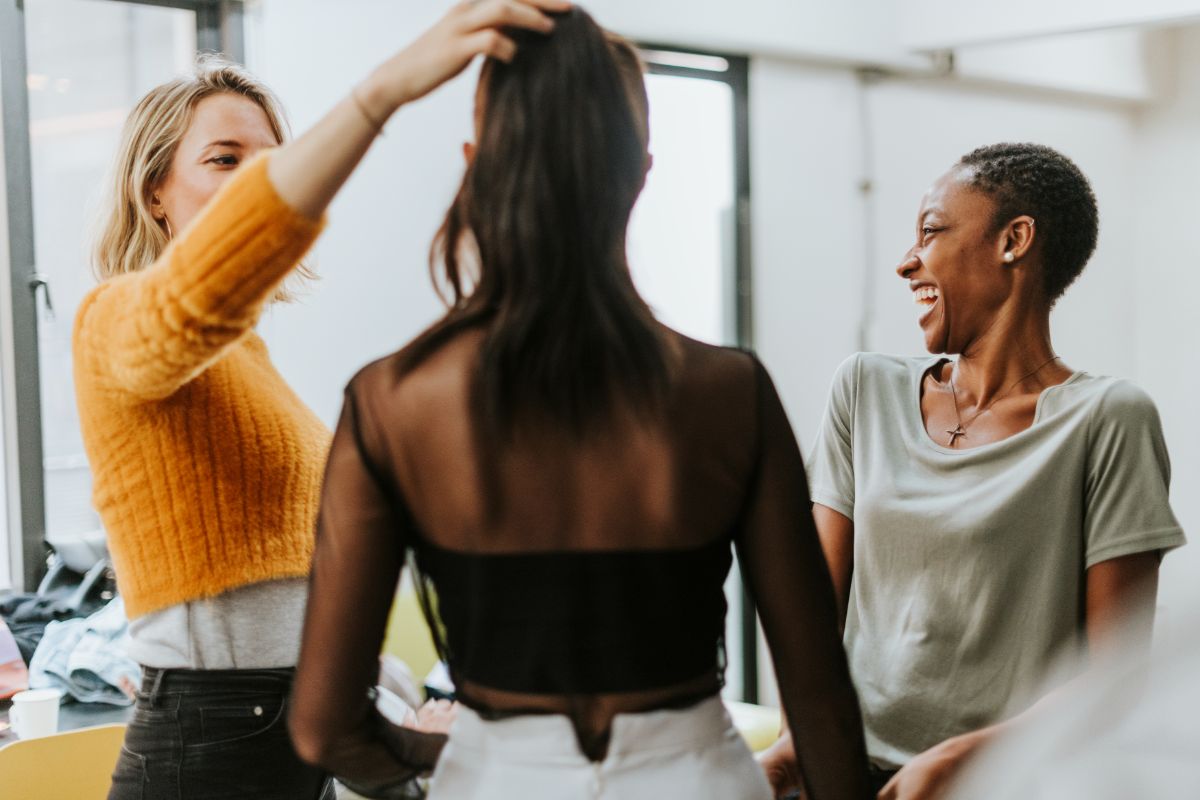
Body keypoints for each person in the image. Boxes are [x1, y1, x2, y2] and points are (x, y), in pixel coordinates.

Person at [288, 6, 873, 800]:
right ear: (638, 171)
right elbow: (821, 702)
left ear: (474, 163)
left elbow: (323, 727)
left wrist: (457, 759)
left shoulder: (392, 400)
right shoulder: (731, 391)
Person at [75, 1, 552, 795]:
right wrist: (384, 92)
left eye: (273, 159)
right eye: (225, 159)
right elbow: (192, 296)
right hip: (209, 747)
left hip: (288, 739)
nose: (257, 180)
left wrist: (390, 717)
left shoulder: (248, 361)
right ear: (154, 191)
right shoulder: (113, 321)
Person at [757, 143, 1186, 800]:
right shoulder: (864, 390)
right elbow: (810, 621)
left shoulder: (1108, 419)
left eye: (930, 231)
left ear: (1013, 241)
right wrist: (799, 749)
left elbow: (1113, 678)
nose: (907, 262)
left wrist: (958, 763)